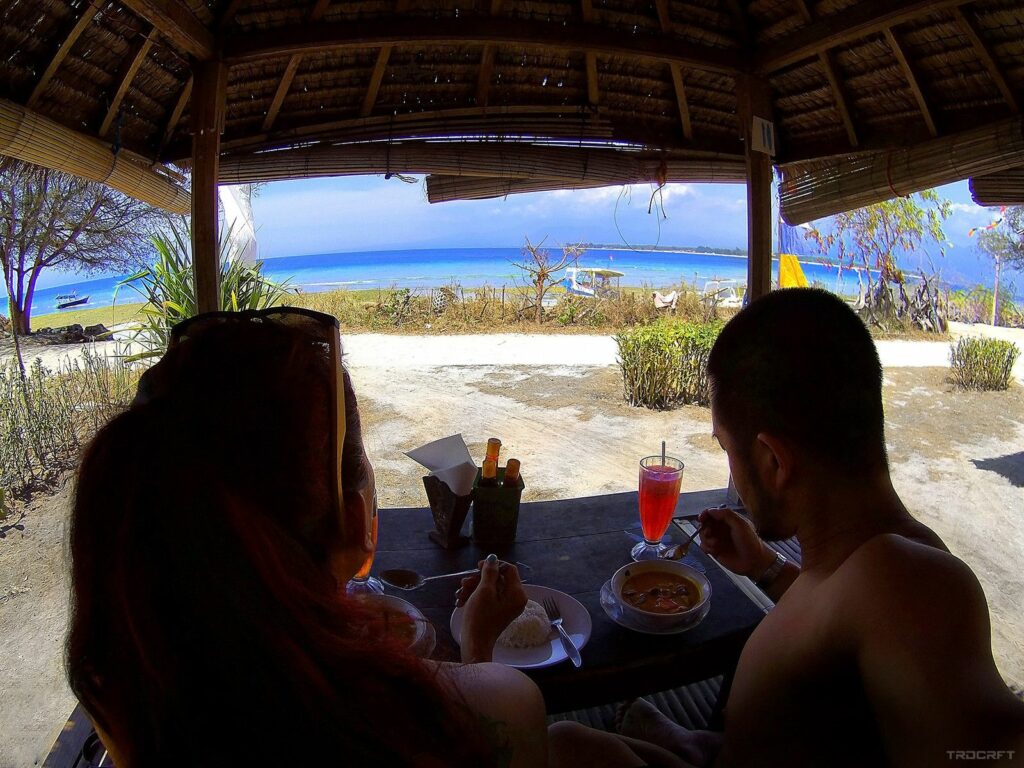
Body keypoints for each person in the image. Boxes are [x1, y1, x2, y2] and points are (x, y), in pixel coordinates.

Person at [551, 288, 1024, 767]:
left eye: (727, 451)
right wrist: (764, 566)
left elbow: (988, 753)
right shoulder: (856, 565)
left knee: (564, 743)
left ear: (774, 461)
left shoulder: (907, 582)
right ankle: (697, 745)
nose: (733, 471)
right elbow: (836, 623)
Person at [67, 308, 546, 767]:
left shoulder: (120, 689)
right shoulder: (488, 710)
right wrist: (478, 641)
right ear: (357, 524)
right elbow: (485, 726)